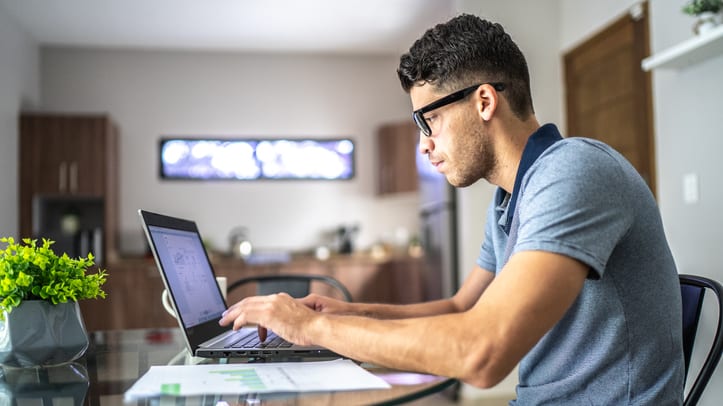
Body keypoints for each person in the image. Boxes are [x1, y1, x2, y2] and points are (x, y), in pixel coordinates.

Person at [220, 14, 684, 404]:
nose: (424, 146)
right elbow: (464, 307)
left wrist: (312, 328)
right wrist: (345, 315)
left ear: (484, 101)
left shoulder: (574, 172)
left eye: (430, 120)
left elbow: (481, 353)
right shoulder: (510, 197)